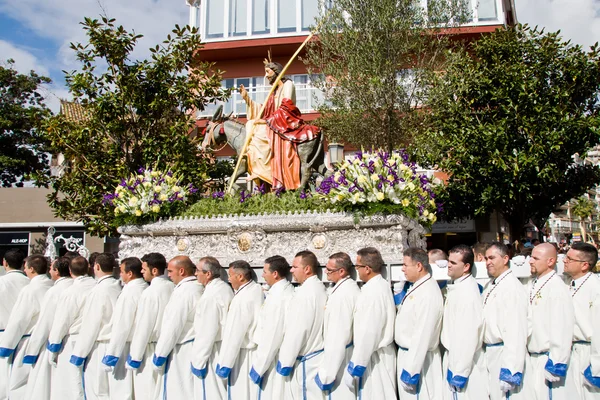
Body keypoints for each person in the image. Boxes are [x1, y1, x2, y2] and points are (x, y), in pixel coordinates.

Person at [239, 60, 320, 190]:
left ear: (276, 71)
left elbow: (286, 109)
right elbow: (264, 110)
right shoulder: (274, 91)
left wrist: (266, 121)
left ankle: (264, 170)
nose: (266, 76)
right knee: (250, 125)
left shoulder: (288, 85)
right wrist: (247, 99)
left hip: (285, 123)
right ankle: (259, 169)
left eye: (267, 72)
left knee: (257, 132)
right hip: (275, 122)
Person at [345, 247, 396, 399]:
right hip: (371, 355)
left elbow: (369, 331)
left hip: (374, 358)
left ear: (367, 269)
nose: (356, 270)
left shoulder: (374, 292)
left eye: (357, 266)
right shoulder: (375, 287)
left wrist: (357, 365)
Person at [69, 253, 122, 400]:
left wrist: (79, 353)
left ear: (96, 267)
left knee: (98, 390)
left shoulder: (98, 291)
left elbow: (91, 324)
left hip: (100, 345)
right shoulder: (119, 286)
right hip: (117, 345)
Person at [0, 255, 53, 399]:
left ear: (31, 268)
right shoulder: (51, 285)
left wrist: (6, 344)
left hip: (25, 339)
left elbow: (20, 319)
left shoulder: (30, 289)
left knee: (17, 382)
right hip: (47, 340)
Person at [525, 243, 574, 400]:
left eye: (536, 258)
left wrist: (557, 362)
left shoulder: (556, 288)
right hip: (533, 357)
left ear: (550, 261)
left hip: (547, 359)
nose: (530, 261)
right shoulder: (534, 283)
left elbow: (562, 326)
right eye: (531, 257)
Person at [482, 242, 530, 400]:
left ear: (505, 259)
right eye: (486, 258)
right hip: (492, 353)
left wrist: (511, 369)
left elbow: (516, 330)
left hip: (504, 354)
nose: (488, 262)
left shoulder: (511, 288)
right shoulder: (493, 284)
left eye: (492, 258)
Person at [277, 250, 327, 400]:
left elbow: (298, 330)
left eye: (294, 267)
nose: (291, 270)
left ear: (307, 269)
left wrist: (285, 361)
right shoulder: (319, 288)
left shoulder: (305, 294)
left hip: (305, 362)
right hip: (317, 358)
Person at [152, 256, 203, 399]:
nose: (168, 275)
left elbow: (173, 325)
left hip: (181, 349)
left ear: (181, 271)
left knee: (178, 391)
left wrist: (160, 354)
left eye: (170, 271)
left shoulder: (184, 292)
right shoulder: (196, 287)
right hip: (189, 346)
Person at [395, 248, 444, 399]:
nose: (402, 269)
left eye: (405, 265)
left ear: (418, 266)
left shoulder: (427, 293)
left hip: (418, 360)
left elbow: (422, 333)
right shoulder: (419, 287)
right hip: (409, 354)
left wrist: (411, 371)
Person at [22, 257, 73, 400]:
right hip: (74, 343)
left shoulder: (55, 291)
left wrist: (32, 351)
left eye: (51, 268)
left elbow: (45, 322)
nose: (49, 271)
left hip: (54, 342)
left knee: (47, 385)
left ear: (56, 271)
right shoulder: (74, 287)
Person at [441, 245, 488, 400]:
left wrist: (459, 371)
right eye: (449, 261)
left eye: (454, 263)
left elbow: (468, 334)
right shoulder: (458, 286)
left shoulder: (468, 293)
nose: (448, 265)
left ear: (466, 266)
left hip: (463, 361)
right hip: (454, 356)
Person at [46, 256, 96, 400]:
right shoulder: (97, 286)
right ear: (88, 268)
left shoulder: (70, 292)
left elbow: (62, 321)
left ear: (69, 270)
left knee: (72, 383)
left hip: (73, 340)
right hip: (94, 340)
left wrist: (53, 347)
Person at [126, 253, 174, 400]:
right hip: (167, 348)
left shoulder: (150, 293)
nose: (141, 272)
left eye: (144, 268)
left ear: (154, 271)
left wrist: (135, 355)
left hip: (150, 348)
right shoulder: (172, 287)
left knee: (146, 391)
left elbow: (144, 325)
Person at [214, 260, 263, 399]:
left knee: (240, 392)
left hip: (242, 354)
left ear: (240, 277)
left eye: (230, 275)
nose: (229, 279)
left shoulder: (242, 299)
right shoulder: (255, 289)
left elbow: (234, 333)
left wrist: (225, 363)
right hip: (252, 351)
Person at [315, 252, 360, 400]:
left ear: (341, 271)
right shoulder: (344, 289)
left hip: (340, 359)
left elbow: (338, 335)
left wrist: (327, 373)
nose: (326, 272)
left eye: (329, 270)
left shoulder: (343, 295)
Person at [102, 257, 148, 400]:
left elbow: (122, 324)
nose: (120, 275)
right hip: (142, 346)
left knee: (123, 390)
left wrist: (112, 354)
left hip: (126, 345)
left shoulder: (130, 293)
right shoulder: (145, 288)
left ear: (130, 273)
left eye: (122, 272)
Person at [249, 255, 294, 400]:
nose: (262, 275)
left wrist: (259, 366)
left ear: (275, 274)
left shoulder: (278, 298)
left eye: (265, 271)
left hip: (271, 358)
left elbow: (272, 334)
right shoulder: (279, 292)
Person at [191, 256, 233, 400]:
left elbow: (207, 331)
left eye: (197, 270)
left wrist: (198, 361)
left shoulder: (211, 296)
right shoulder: (224, 288)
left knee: (209, 392)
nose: (195, 274)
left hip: (211, 351)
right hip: (220, 346)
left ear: (208, 274)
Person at [562, 242, 600, 398]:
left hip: (588, 352)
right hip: (571, 352)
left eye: (570, 259)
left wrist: (596, 365)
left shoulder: (595, 288)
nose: (564, 260)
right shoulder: (567, 284)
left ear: (585, 265)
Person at [0, 249, 28, 400]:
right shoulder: (29, 283)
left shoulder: (2, 282)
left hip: (3, 333)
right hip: (26, 336)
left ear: (5, 263)